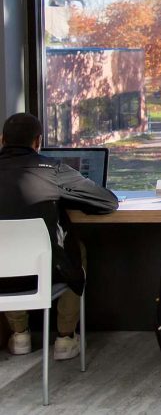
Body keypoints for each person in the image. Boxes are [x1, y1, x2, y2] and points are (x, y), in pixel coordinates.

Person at [0, 112, 118, 360]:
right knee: (75, 250)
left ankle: (19, 333)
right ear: (37, 142)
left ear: (2, 140)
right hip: (47, 273)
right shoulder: (51, 169)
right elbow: (107, 202)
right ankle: (65, 338)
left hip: (2, 279)